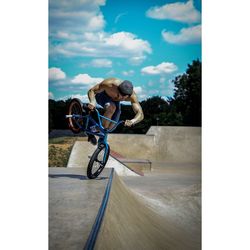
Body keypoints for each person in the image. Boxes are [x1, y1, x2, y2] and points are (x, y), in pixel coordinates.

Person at [86, 77, 144, 145]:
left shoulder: (132, 96)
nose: (120, 98)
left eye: (123, 98)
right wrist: (92, 102)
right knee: (111, 107)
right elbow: (91, 91)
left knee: (112, 126)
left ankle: (92, 129)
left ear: (128, 95)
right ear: (117, 89)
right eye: (118, 95)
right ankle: (101, 134)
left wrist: (132, 121)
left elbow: (140, 114)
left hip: (115, 103)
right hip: (101, 96)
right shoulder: (109, 84)